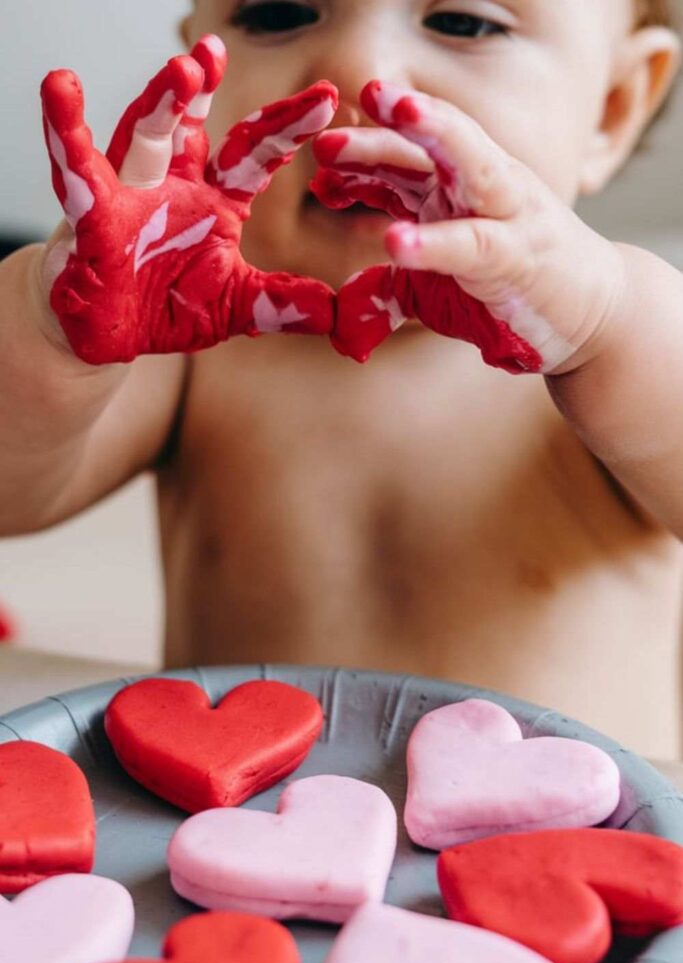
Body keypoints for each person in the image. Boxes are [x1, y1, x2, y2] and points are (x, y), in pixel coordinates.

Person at [1, 0, 681, 756]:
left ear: (612, 108)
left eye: (464, 22)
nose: (356, 69)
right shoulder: (194, 346)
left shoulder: (619, 357)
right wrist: (51, 324)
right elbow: (12, 492)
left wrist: (609, 321)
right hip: (230, 837)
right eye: (278, 12)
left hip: (569, 845)